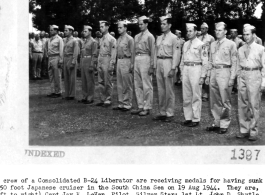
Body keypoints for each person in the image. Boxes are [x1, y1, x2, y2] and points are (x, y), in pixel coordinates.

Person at [205, 22, 237, 134]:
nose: (217, 32)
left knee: (225, 99)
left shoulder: (231, 44)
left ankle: (224, 124)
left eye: (220, 30)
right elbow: (210, 60)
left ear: (225, 31)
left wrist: (232, 78)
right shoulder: (212, 44)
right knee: (214, 100)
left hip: (225, 71)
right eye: (216, 30)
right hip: (214, 71)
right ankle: (217, 122)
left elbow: (234, 62)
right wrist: (208, 75)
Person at [236, 24, 265, 141]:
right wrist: (238, 78)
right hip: (243, 75)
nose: (245, 37)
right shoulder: (240, 49)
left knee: (254, 104)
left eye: (248, 34)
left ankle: (253, 131)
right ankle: (244, 129)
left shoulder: (260, 49)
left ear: (253, 34)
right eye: (244, 34)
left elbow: (264, 67)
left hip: (254, 75)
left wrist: (263, 82)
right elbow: (238, 65)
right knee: (242, 104)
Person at [152, 15, 181, 122]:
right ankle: (162, 112)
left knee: (169, 89)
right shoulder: (159, 38)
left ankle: (170, 113)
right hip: (159, 62)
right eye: (161, 24)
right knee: (160, 89)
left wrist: (173, 68)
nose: (162, 26)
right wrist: (154, 66)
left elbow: (176, 53)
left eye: (164, 24)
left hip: (168, 62)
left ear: (169, 25)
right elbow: (155, 53)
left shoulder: (174, 38)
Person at [179, 23, 208, 127]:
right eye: (187, 31)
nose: (188, 33)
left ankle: (196, 119)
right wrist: (181, 72)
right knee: (186, 95)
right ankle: (188, 117)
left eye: (191, 31)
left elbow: (205, 61)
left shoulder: (201, 44)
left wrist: (203, 76)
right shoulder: (185, 44)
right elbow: (182, 59)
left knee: (196, 95)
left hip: (196, 68)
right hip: (186, 69)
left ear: (196, 32)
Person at [130, 16, 155, 116]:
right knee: (137, 84)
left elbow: (153, 51)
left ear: (146, 24)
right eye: (139, 24)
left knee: (146, 84)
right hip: (137, 58)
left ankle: (147, 107)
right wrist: (132, 63)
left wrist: (152, 65)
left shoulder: (150, 36)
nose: (140, 26)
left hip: (146, 58)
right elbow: (133, 51)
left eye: (142, 24)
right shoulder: (136, 36)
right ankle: (140, 105)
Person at [112, 21, 134, 111]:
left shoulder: (130, 39)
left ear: (125, 28)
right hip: (119, 60)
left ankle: (127, 104)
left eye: (120, 27)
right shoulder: (119, 39)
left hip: (126, 60)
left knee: (127, 84)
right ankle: (121, 103)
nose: (119, 29)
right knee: (120, 83)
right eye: (118, 28)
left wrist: (132, 64)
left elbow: (133, 53)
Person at [96, 21, 117, 107]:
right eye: (100, 27)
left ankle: (108, 99)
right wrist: (98, 62)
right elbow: (100, 51)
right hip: (101, 58)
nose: (101, 28)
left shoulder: (111, 39)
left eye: (102, 26)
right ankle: (102, 98)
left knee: (107, 80)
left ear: (107, 27)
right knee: (100, 80)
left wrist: (112, 64)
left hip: (107, 59)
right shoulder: (101, 38)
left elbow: (113, 53)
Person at [78, 25, 98, 104]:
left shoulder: (93, 42)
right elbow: (81, 53)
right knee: (84, 80)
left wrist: (92, 65)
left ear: (90, 32)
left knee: (90, 80)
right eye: (83, 31)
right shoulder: (84, 41)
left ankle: (90, 97)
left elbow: (94, 54)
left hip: (89, 60)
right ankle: (85, 96)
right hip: (83, 60)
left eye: (86, 31)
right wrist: (80, 63)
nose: (84, 33)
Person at [198, 22, 215, 102]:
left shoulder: (211, 38)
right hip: (200, 59)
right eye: (201, 28)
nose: (202, 30)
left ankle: (206, 94)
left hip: (207, 59)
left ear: (207, 29)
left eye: (203, 28)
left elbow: (213, 50)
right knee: (200, 76)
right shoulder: (198, 37)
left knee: (207, 77)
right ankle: (200, 93)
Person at [45, 25, 64, 98]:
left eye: (52, 30)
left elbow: (61, 50)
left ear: (56, 31)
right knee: (51, 75)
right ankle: (53, 91)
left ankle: (58, 91)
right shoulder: (49, 39)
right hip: (50, 57)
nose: (50, 31)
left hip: (56, 57)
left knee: (57, 75)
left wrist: (60, 60)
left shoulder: (59, 39)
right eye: (50, 30)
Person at [62, 25, 79, 100]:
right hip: (65, 58)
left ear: (71, 31)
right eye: (64, 30)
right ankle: (67, 93)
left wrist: (73, 62)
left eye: (66, 30)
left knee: (72, 77)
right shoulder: (65, 40)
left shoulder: (74, 40)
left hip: (71, 57)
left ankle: (72, 94)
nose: (65, 32)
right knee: (66, 77)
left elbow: (76, 52)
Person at [230, 29, 245, 94]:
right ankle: (232, 87)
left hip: (237, 58)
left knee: (236, 73)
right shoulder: (229, 41)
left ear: (236, 33)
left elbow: (243, 49)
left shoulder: (240, 41)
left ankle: (236, 87)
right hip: (230, 59)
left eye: (233, 33)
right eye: (231, 33)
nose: (232, 34)